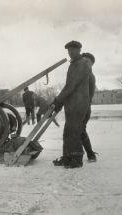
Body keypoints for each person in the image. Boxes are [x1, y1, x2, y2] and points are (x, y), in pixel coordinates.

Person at [50, 40, 93, 168]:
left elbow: (71, 85)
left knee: (74, 131)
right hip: (72, 104)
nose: (70, 52)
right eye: (68, 50)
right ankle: (68, 157)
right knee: (68, 131)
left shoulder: (82, 64)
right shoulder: (74, 64)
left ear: (79, 50)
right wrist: (60, 102)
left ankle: (77, 159)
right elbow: (69, 87)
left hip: (79, 104)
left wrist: (58, 99)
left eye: (73, 50)